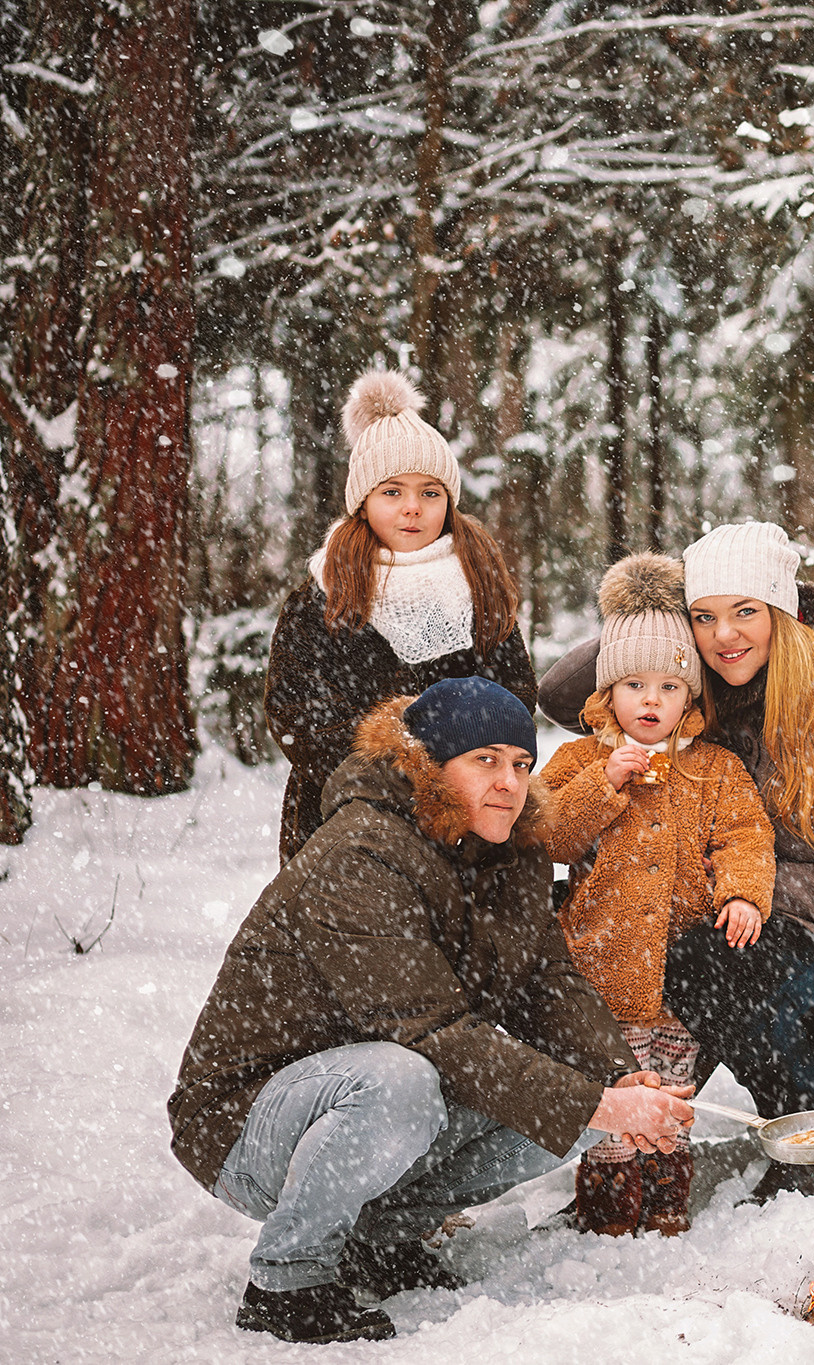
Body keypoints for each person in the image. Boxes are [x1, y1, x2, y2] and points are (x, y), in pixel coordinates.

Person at [169, 677, 695, 1345]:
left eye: (521, 763)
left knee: (574, 1086)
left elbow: (550, 982)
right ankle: (288, 1278)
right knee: (405, 1078)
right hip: (247, 1121)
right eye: (485, 759)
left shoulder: (512, 853)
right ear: (431, 765)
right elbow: (434, 1035)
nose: (508, 780)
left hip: (372, 1102)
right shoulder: (361, 851)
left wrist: (620, 1079)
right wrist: (599, 1104)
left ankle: (380, 1239)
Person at [538, 522, 814, 1201]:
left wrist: (747, 882)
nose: (725, 635)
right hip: (731, 937)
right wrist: (651, 608)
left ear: (782, 609)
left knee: (710, 960)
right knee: (667, 952)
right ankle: (643, 1149)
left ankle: (810, 1135)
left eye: (746, 611)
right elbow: (556, 694)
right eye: (706, 617)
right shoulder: (696, 695)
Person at [540, 552, 776, 1237]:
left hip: (681, 974)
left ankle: (667, 1205)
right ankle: (609, 1214)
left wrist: (742, 896)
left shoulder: (714, 768)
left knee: (670, 1096)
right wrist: (601, 786)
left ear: (690, 697)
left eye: (670, 686)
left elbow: (745, 836)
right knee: (617, 1101)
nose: (651, 701)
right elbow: (545, 833)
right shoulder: (581, 761)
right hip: (602, 969)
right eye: (634, 684)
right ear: (606, 692)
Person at [264, 369, 536, 865]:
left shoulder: (478, 584)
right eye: (392, 491)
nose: (412, 508)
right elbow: (294, 710)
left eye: (430, 492)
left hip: (468, 814)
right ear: (363, 503)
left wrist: (461, 770)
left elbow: (514, 691)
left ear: (448, 502)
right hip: (348, 813)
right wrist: (394, 766)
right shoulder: (322, 594)